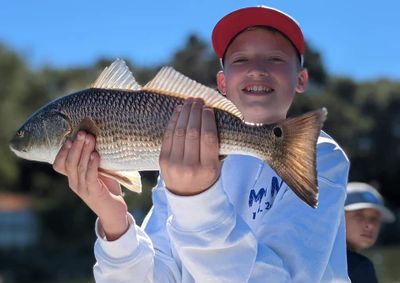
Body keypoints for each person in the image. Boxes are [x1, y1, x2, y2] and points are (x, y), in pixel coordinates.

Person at [52, 6, 351, 282]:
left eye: (275, 58)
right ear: (221, 84)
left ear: (301, 79)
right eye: (240, 59)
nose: (256, 69)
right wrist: (115, 222)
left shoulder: (320, 155)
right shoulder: (181, 161)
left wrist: (196, 197)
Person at [345, 182, 395, 283]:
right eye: (359, 215)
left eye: (374, 218)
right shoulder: (359, 267)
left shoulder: (317, 261)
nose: (370, 225)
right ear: (338, 218)